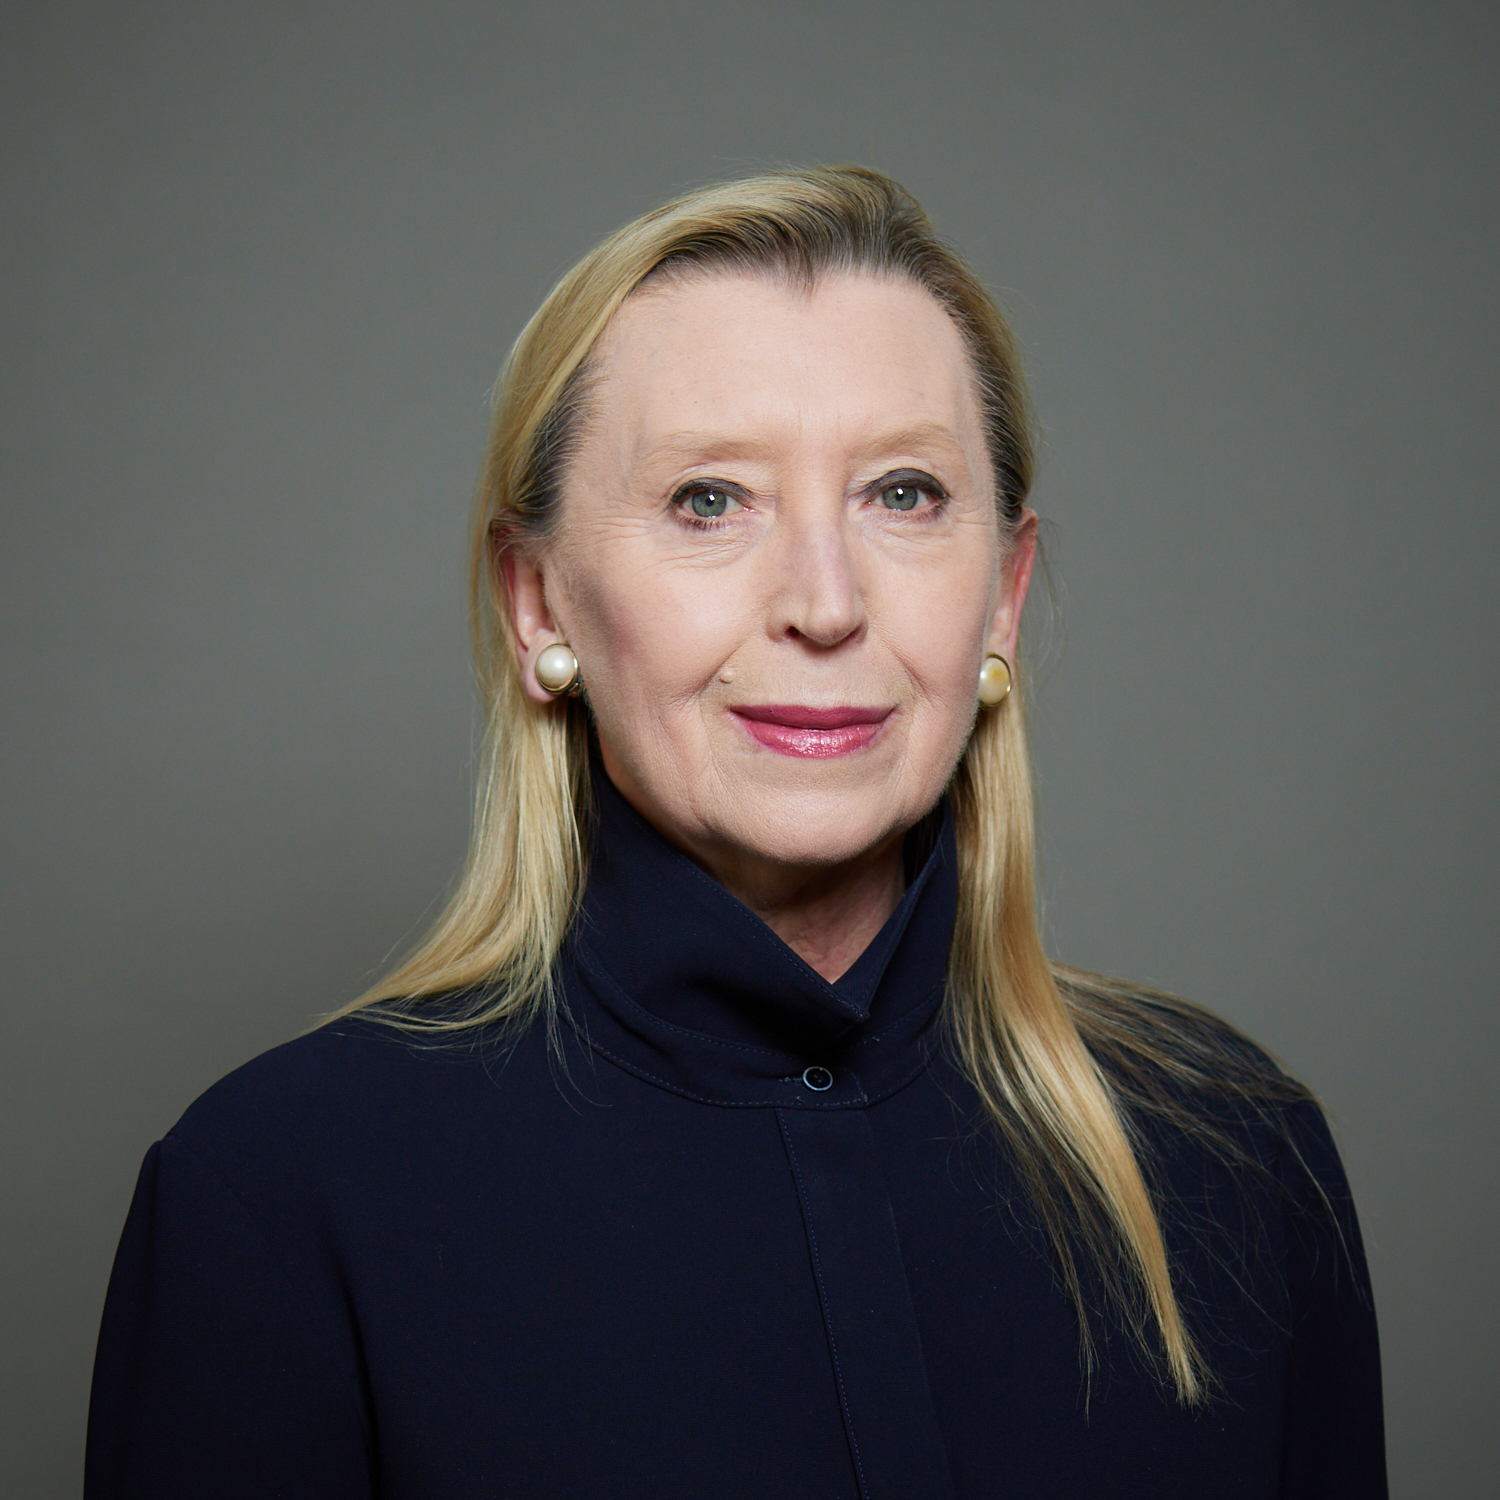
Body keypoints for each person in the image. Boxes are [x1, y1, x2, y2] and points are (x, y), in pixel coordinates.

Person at [85, 166, 1386, 1499]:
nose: (825, 603)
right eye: (710, 499)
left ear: (1003, 598)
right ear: (538, 604)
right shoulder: (277, 1195)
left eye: (902, 494)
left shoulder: (1240, 1157)